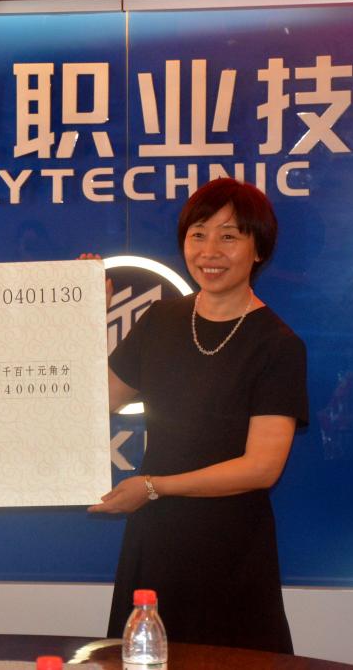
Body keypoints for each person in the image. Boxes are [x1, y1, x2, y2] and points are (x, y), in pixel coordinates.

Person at [84, 177, 307, 653]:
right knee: (146, 658)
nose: (210, 251)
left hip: (230, 545)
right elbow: (93, 402)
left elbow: (261, 467)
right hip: (156, 538)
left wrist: (153, 487)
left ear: (258, 249)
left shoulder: (278, 345)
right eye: (198, 234)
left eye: (229, 236)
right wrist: (83, 317)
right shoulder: (159, 321)